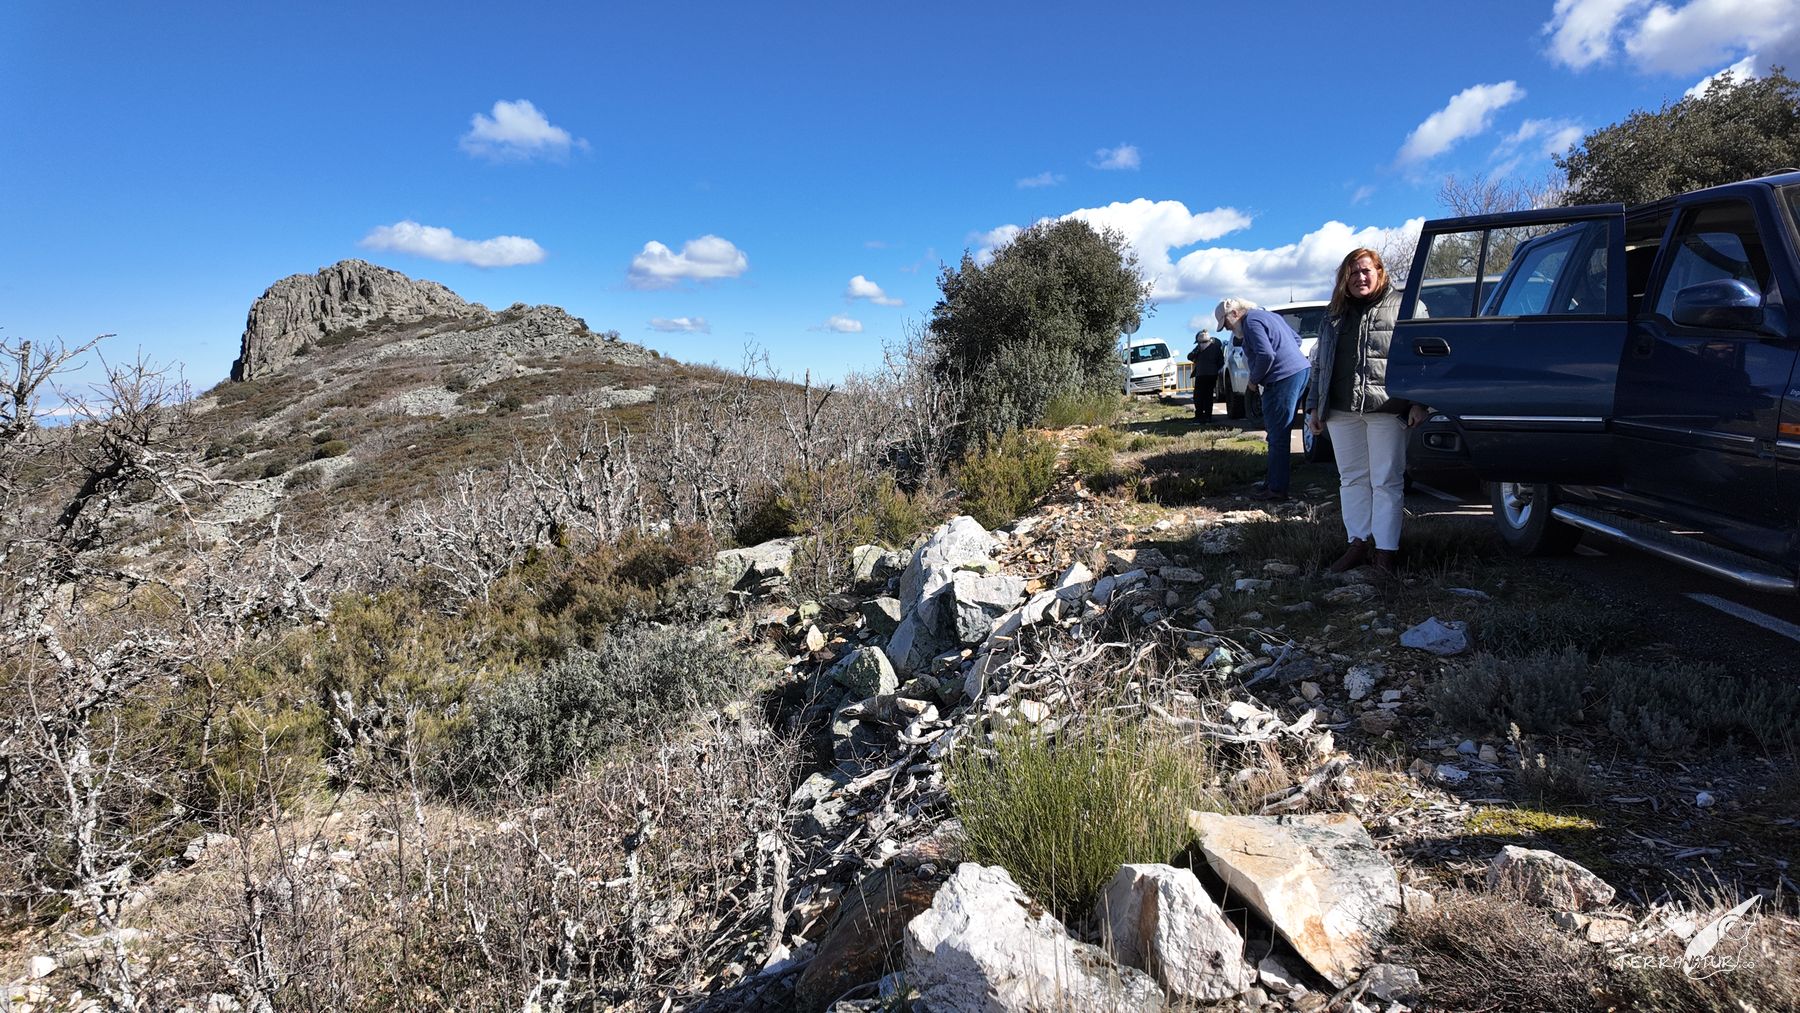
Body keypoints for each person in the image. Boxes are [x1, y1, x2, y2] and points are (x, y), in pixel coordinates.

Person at [1305, 248, 1428, 575]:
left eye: (1365, 271)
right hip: (1341, 410)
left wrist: (1420, 401)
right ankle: (1357, 544)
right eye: (1353, 272)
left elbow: (1423, 359)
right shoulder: (1333, 313)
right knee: (1352, 479)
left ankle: (1386, 554)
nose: (1360, 277)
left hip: (1387, 408)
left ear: (1380, 271)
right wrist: (1314, 405)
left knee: (1386, 481)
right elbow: (1319, 364)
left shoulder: (1407, 306)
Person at [1213, 297, 1309, 501]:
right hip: (1299, 372)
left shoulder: (1251, 323)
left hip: (1282, 378)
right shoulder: (1269, 316)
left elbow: (1266, 354)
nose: (1229, 330)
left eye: (1227, 324)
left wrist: (1253, 381)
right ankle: (1273, 482)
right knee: (1278, 432)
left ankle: (1276, 489)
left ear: (1235, 314)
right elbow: (1297, 340)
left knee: (1277, 436)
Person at [1186, 329, 1224, 422]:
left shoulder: (1199, 348)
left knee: (1199, 396)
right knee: (1208, 396)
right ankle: (1207, 416)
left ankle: (1200, 416)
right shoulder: (1215, 348)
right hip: (1211, 375)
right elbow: (1221, 362)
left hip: (1202, 375)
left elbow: (1189, 356)